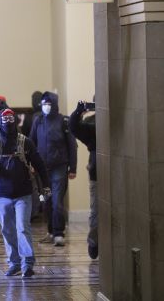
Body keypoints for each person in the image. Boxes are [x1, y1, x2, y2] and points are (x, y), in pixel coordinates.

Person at [0, 108, 50, 278]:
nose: (8, 124)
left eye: (11, 120)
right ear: (0, 123)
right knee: (7, 230)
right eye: (5, 121)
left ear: (15, 121)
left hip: (23, 195)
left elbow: (39, 164)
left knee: (22, 228)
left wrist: (45, 185)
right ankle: (14, 263)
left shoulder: (25, 142)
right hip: (1, 194)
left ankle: (27, 263)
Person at [29, 91, 77, 246]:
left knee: (57, 202)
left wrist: (73, 168)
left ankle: (58, 233)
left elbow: (72, 146)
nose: (46, 107)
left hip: (60, 168)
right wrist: (31, 163)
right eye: (44, 104)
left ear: (54, 104)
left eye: (48, 104)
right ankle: (50, 232)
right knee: (46, 202)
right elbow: (31, 143)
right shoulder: (38, 121)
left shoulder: (63, 121)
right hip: (42, 169)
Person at [69, 99, 98, 259]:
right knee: (96, 212)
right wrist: (78, 112)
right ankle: (94, 242)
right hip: (97, 173)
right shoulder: (91, 123)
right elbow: (74, 128)